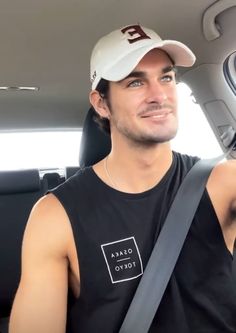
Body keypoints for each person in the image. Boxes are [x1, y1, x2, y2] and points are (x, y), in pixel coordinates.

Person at [9, 24, 236, 333]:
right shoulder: (55, 216)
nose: (159, 95)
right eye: (135, 83)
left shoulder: (222, 182)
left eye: (166, 77)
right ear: (101, 103)